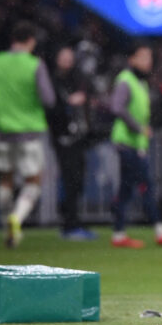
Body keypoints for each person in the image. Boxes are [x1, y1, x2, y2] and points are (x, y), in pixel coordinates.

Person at [0, 21, 56, 248]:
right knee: (34, 181)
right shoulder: (35, 64)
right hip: (28, 132)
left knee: (5, 179)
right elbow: (48, 98)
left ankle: (4, 220)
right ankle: (16, 219)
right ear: (31, 41)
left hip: (0, 131)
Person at [109, 41, 162, 249]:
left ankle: (118, 234)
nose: (147, 61)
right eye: (142, 56)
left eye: (148, 57)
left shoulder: (140, 82)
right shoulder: (126, 80)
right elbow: (117, 107)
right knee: (147, 184)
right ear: (131, 59)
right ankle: (160, 230)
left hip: (133, 142)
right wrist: (138, 128)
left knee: (126, 189)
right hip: (128, 142)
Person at [48, 46, 97, 240]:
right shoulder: (54, 81)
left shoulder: (78, 79)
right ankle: (69, 224)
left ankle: (74, 221)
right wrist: (69, 103)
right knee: (70, 180)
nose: (68, 61)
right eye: (64, 57)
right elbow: (52, 108)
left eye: (70, 57)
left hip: (78, 138)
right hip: (63, 137)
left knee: (77, 180)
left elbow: (89, 96)